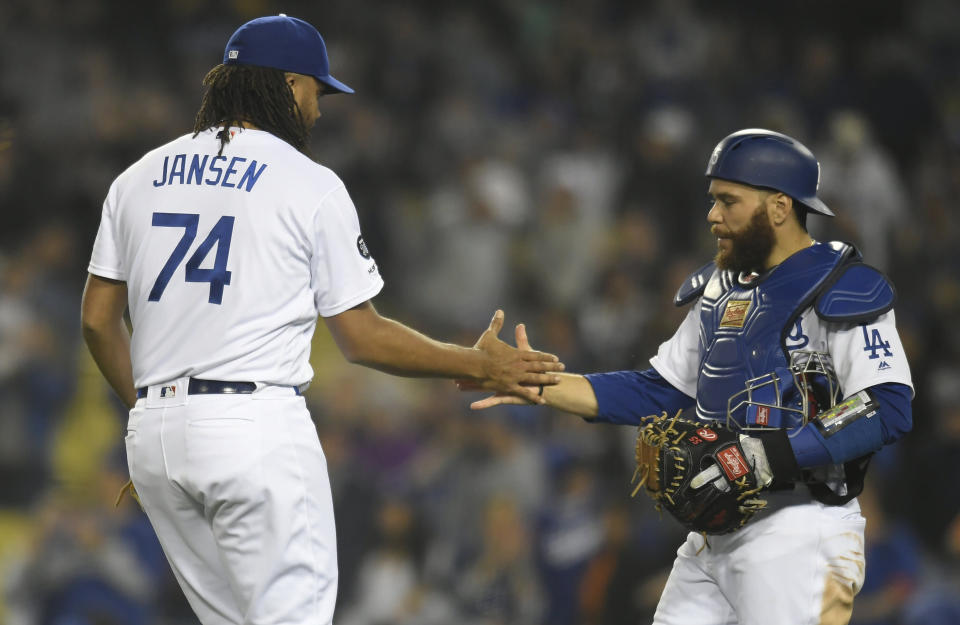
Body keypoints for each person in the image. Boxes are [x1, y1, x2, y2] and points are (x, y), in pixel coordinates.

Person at [80, 14, 563, 625]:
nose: (319, 107)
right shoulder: (309, 184)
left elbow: (98, 320)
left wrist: (146, 409)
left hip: (154, 442)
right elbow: (360, 338)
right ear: (286, 84)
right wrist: (476, 364)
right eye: (316, 89)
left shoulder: (136, 178)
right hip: (252, 429)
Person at [467, 129, 914, 625]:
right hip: (715, 530)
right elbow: (659, 392)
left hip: (801, 528)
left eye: (729, 201)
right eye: (713, 200)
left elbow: (886, 404)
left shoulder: (842, 284)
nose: (712, 215)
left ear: (781, 207)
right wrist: (540, 383)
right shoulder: (721, 290)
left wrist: (766, 455)